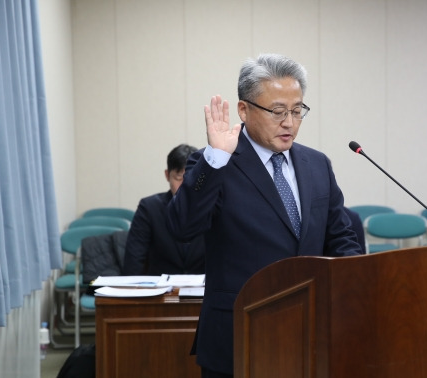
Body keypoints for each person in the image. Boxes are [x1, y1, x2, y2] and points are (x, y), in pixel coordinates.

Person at [167, 54, 363, 377]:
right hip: (239, 336)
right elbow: (182, 226)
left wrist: (356, 284)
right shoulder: (216, 162)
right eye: (277, 111)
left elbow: (341, 238)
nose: (289, 122)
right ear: (244, 110)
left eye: (297, 110)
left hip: (311, 336)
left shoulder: (317, 165)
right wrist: (215, 158)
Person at [122, 144, 205, 276]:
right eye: (178, 178)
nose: (184, 186)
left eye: (190, 179)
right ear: (167, 175)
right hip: (160, 291)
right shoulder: (149, 208)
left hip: (203, 291)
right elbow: (134, 259)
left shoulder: (212, 208)